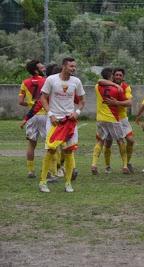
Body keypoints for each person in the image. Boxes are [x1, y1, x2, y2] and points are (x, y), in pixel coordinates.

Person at [38, 57, 85, 193]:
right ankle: (42, 182)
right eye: (71, 66)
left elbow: (82, 101)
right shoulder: (51, 79)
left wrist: (77, 112)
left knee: (69, 151)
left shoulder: (76, 81)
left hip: (70, 121)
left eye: (74, 66)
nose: (73, 69)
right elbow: (43, 98)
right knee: (51, 150)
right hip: (54, 121)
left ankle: (68, 183)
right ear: (64, 66)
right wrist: (50, 114)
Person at [91, 67, 129, 175]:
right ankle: (125, 165)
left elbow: (100, 81)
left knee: (100, 141)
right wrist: (116, 86)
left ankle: (94, 164)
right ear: (111, 76)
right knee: (121, 141)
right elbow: (126, 102)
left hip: (100, 119)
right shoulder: (117, 89)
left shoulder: (97, 87)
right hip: (113, 118)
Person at [101, 68, 135, 174]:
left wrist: (117, 103)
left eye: (120, 75)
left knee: (130, 140)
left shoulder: (126, 87)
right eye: (116, 75)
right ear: (113, 75)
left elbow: (129, 102)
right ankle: (107, 166)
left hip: (122, 118)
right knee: (108, 143)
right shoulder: (107, 84)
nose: (118, 77)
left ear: (123, 77)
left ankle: (127, 163)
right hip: (109, 117)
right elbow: (99, 81)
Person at [18, 60, 47, 179]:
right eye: (41, 67)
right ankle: (48, 170)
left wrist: (30, 104)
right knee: (48, 145)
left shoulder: (25, 82)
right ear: (36, 70)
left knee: (31, 143)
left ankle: (30, 171)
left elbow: (20, 102)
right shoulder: (46, 81)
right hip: (44, 115)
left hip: (32, 116)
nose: (44, 68)